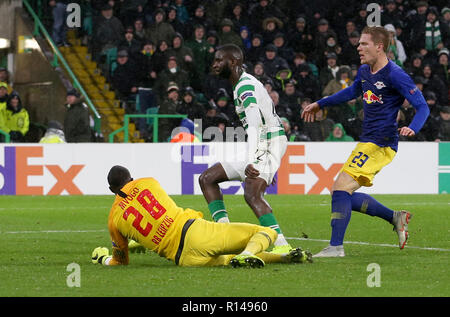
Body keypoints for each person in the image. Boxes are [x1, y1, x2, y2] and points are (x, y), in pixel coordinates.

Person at [301, 26, 429, 257]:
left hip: (382, 143)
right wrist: (321, 103)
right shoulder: (364, 71)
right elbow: (350, 92)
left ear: (379, 47)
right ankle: (394, 217)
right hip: (367, 141)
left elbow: (422, 106)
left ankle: (336, 247)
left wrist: (413, 127)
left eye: (364, 44)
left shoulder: (395, 74)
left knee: (340, 188)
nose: (358, 47)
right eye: (359, 43)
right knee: (341, 192)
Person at [91, 165, 312, 268]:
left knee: (226, 260)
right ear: (132, 177)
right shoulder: (148, 181)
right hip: (194, 232)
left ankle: (284, 258)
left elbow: (120, 261)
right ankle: (247, 254)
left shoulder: (114, 219)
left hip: (184, 259)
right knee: (266, 232)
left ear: (111, 190)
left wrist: (103, 258)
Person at [198, 44, 293, 254]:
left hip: (267, 142)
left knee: (252, 194)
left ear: (232, 62)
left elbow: (254, 124)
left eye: (218, 60)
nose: (214, 64)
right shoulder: (242, 83)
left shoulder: (244, 86)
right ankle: (224, 233)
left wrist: (254, 160)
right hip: (265, 144)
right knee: (207, 178)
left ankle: (282, 246)